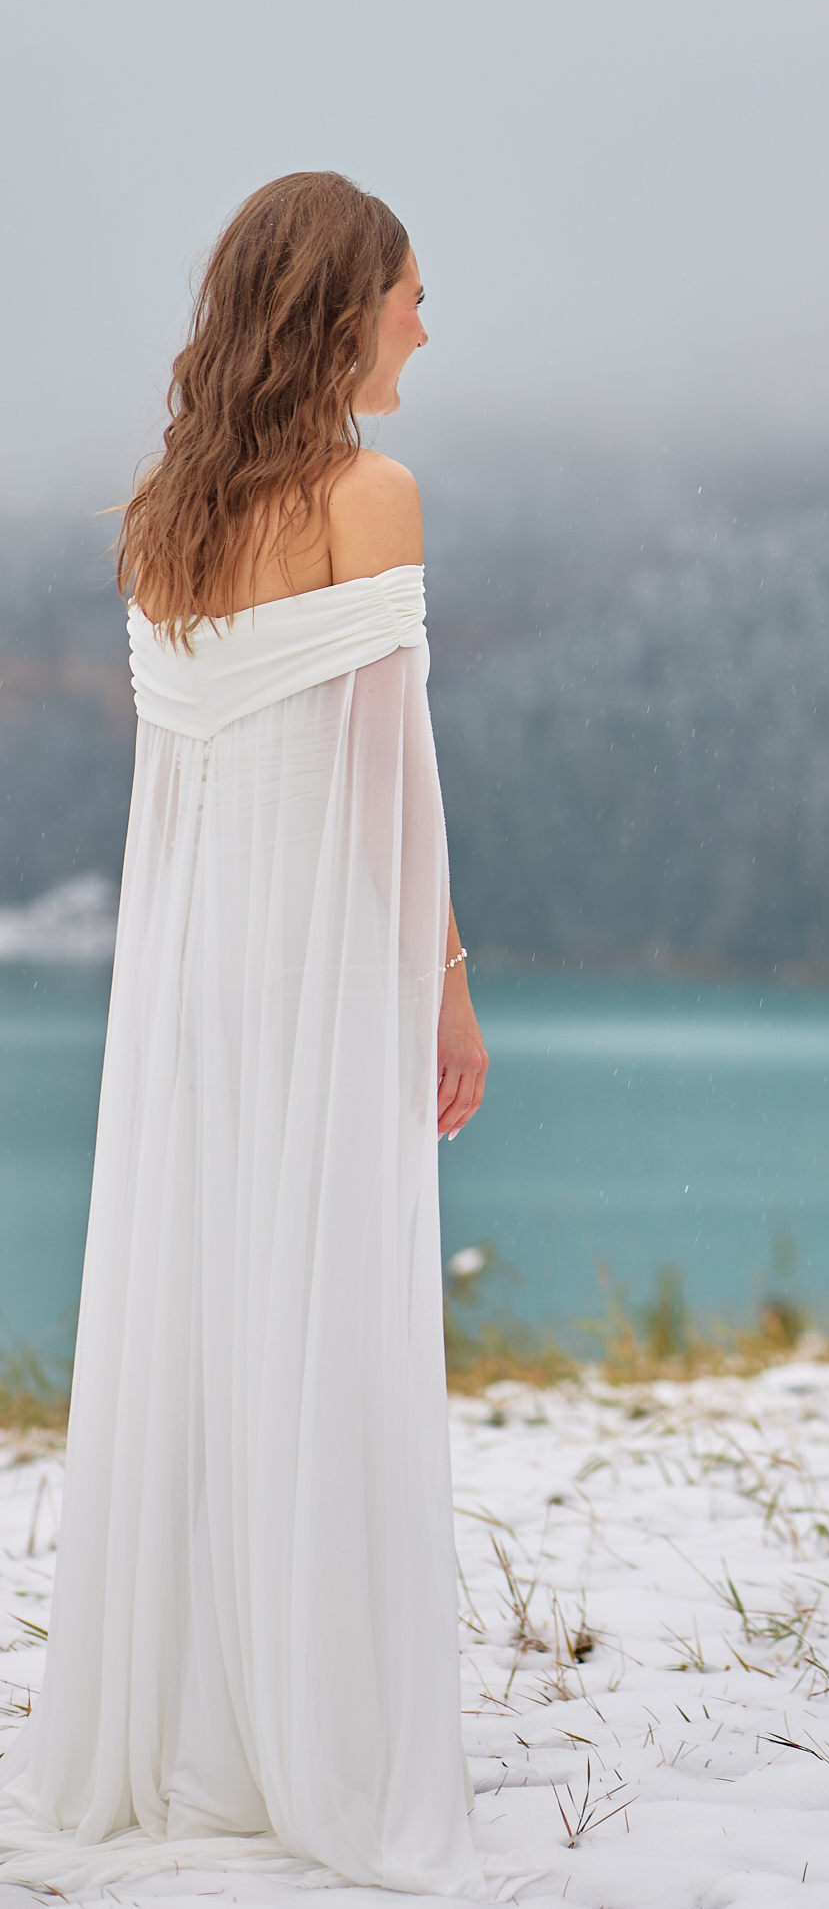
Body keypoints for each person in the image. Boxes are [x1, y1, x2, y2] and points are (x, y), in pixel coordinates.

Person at [0, 175, 493, 1889]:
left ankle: (187, 1711)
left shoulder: (159, 509)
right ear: (341, 307)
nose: (428, 322)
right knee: (320, 1311)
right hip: (319, 958)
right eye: (412, 294)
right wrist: (442, 981)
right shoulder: (375, 490)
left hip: (193, 965)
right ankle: (307, 1723)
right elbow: (388, 780)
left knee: (201, 1302)